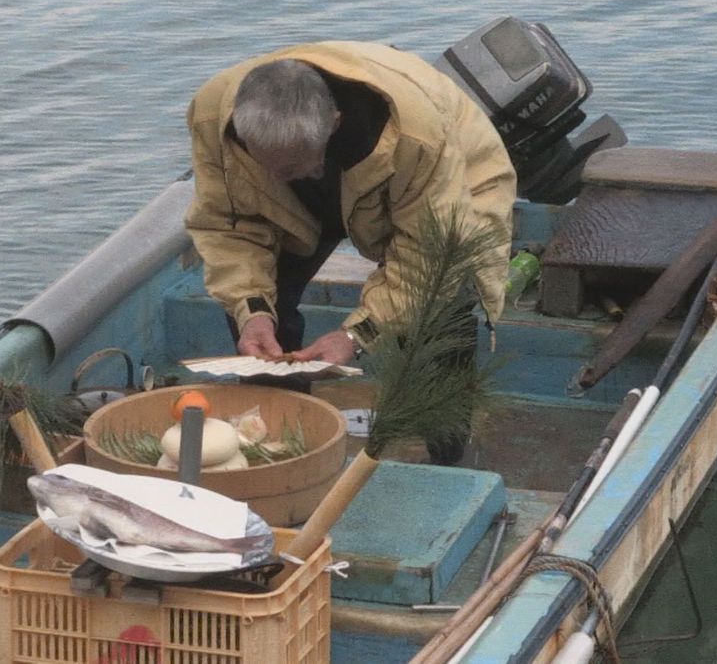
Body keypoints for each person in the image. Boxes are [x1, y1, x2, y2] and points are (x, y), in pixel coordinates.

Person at [183, 41, 516, 462]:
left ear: (334, 124)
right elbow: (229, 224)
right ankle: (281, 444)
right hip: (307, 191)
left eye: (283, 170)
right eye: (259, 165)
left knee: (442, 310)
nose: (268, 178)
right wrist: (252, 312)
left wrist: (357, 336)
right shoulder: (215, 116)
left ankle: (446, 457)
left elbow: (429, 258)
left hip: (452, 175)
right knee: (259, 314)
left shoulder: (417, 136)